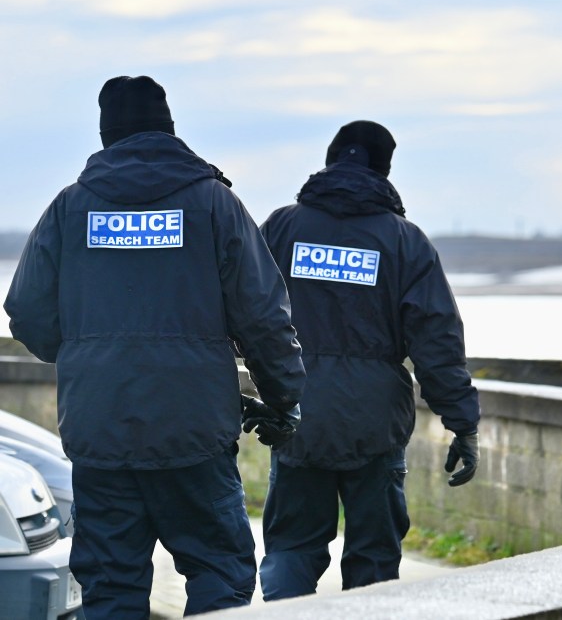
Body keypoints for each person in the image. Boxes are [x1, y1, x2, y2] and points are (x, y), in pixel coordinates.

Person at [3, 75, 306, 618]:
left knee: (110, 588)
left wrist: (85, 355)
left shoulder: (71, 209)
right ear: (169, 130)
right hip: (193, 432)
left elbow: (24, 311)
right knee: (218, 574)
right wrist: (284, 401)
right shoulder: (215, 205)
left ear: (105, 136)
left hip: (100, 431)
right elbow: (263, 316)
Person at [256, 120, 480, 598]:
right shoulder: (406, 241)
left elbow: (241, 312)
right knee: (374, 561)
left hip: (298, 414)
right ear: (385, 170)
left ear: (330, 160)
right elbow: (436, 340)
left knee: (292, 549)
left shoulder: (281, 228)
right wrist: (463, 422)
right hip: (375, 423)